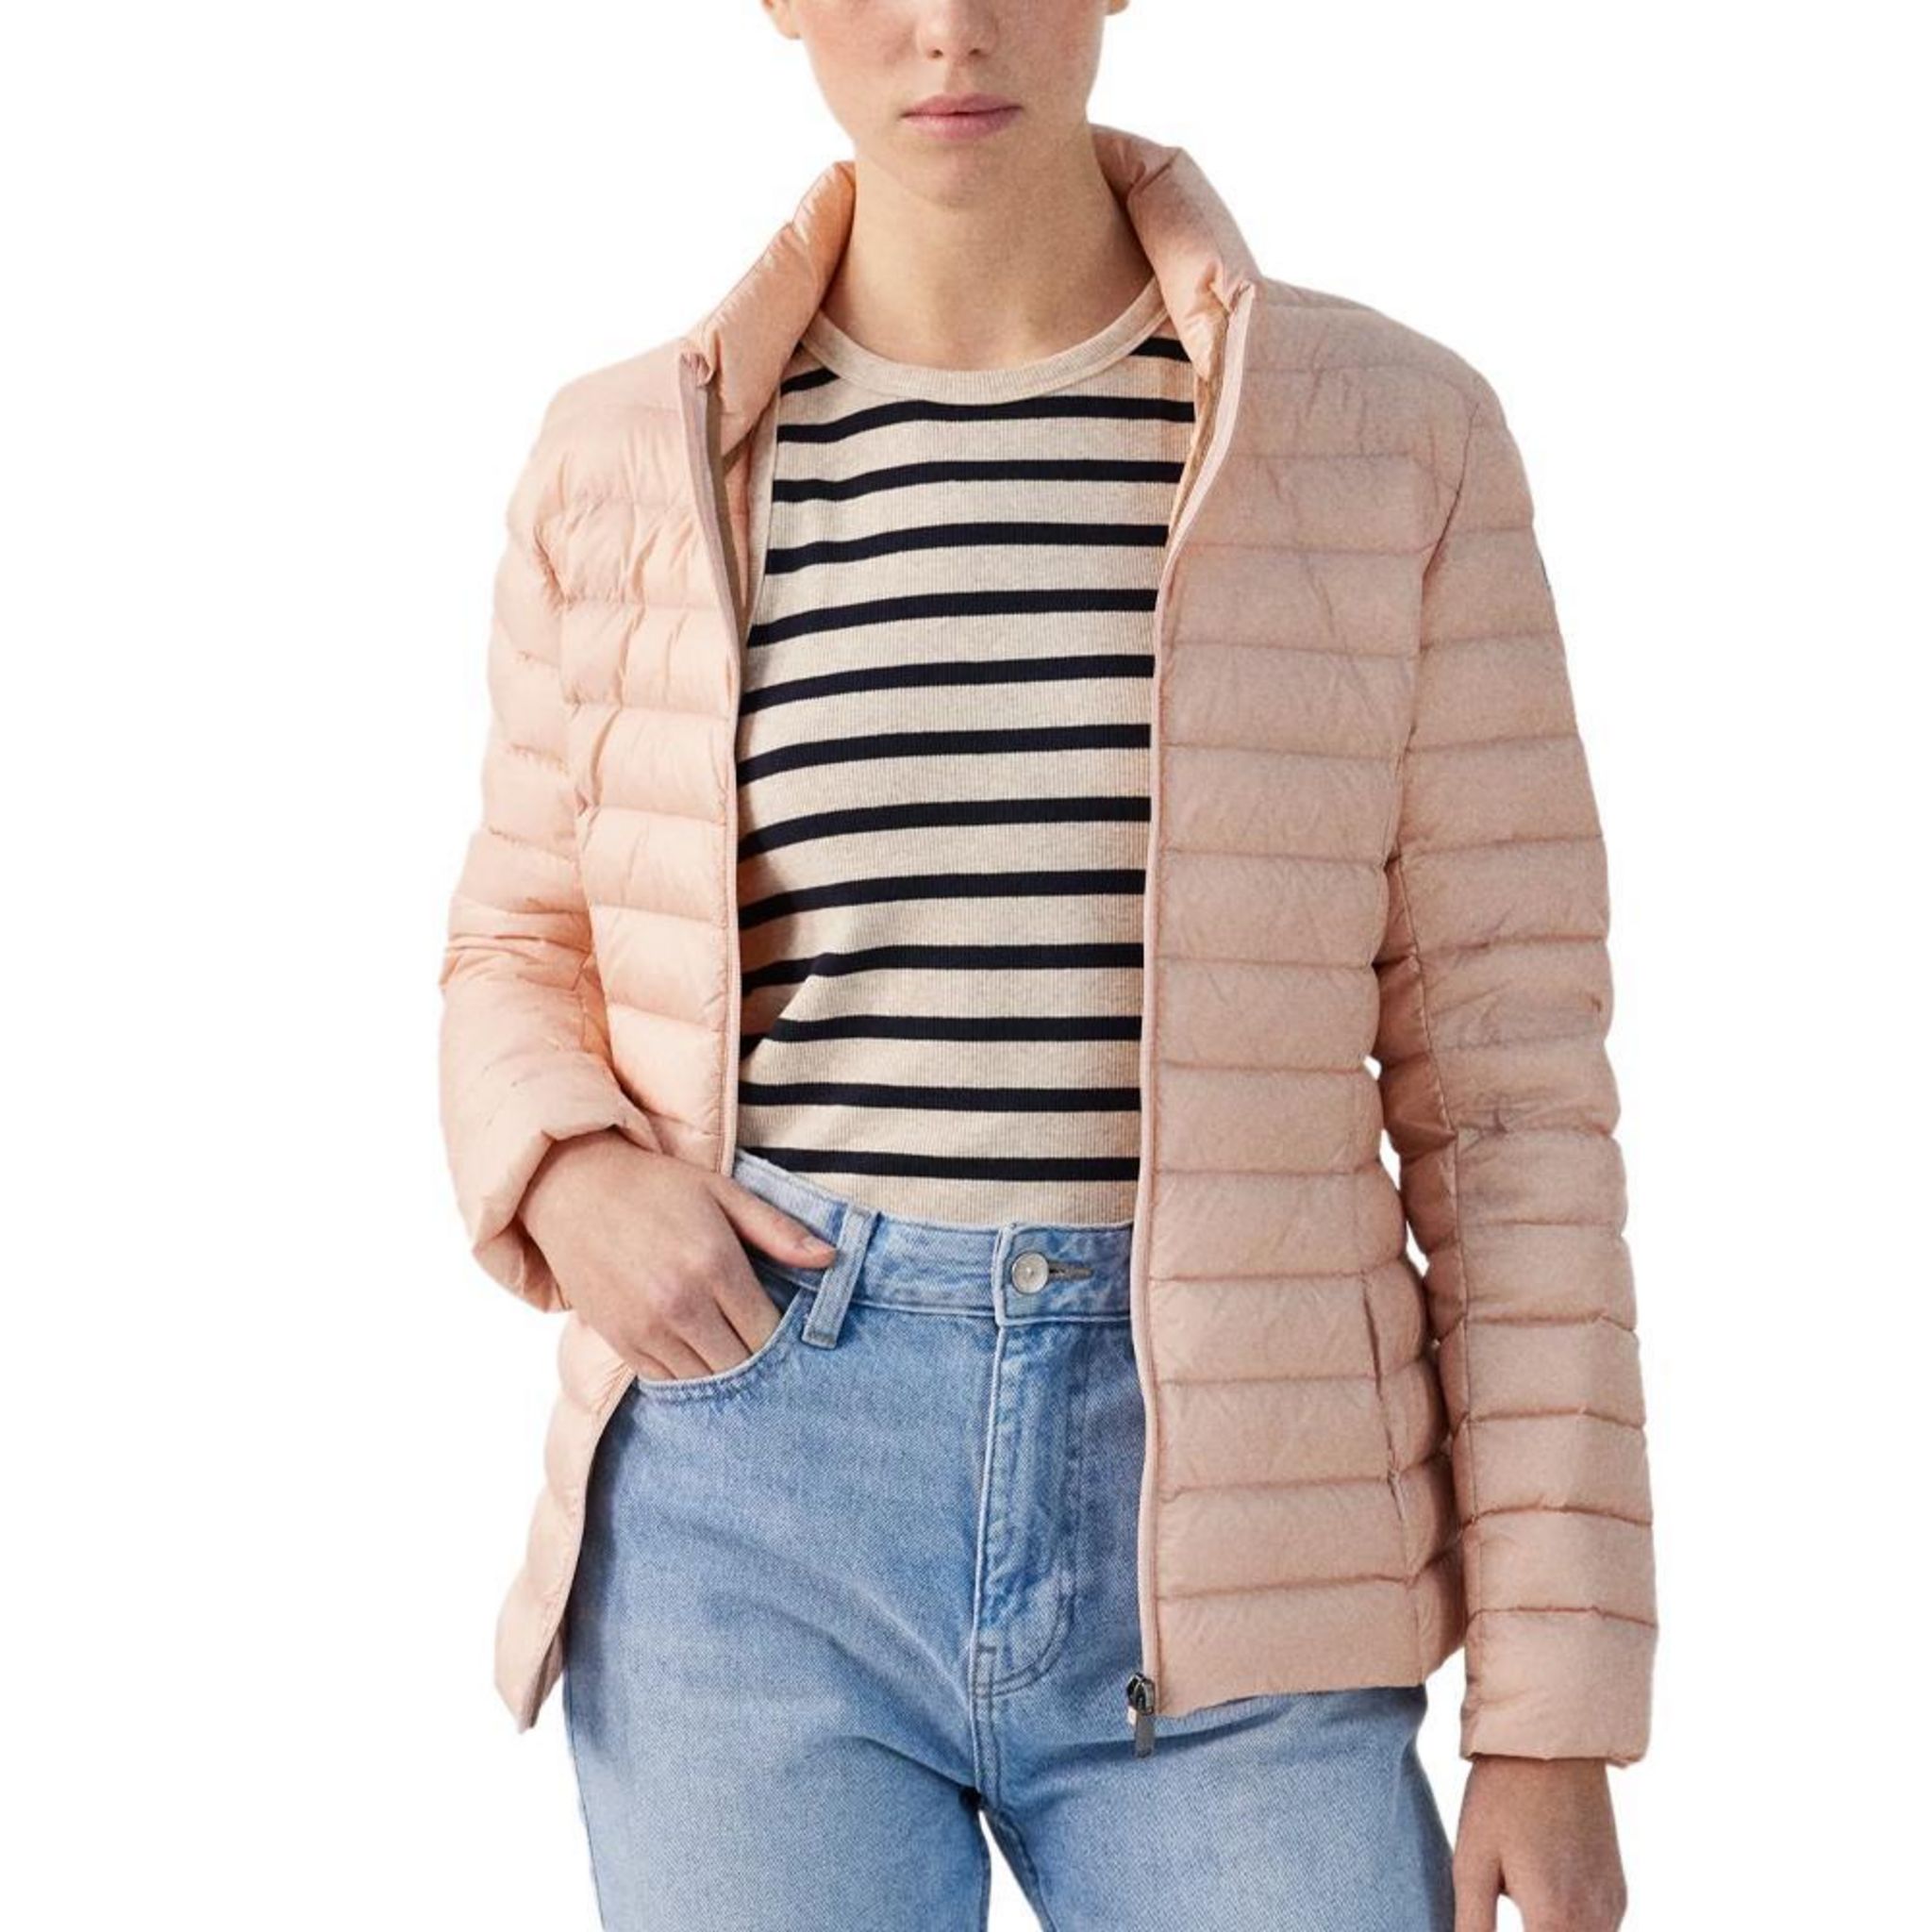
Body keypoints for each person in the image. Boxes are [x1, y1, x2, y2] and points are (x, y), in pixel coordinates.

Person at [435, 5, 1655, 1927]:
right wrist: (569, 1172)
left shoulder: (1389, 434)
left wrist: (1550, 1715)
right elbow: (517, 940)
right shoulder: (627, 454)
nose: (949, 28)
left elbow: (1508, 1103)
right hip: (751, 1492)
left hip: (1253, 1522)